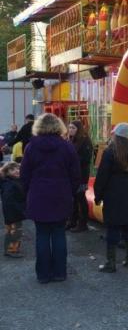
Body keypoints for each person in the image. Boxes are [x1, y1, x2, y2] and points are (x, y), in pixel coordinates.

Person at [20, 113, 80, 283]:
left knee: (42, 235)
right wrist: (70, 191)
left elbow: (24, 175)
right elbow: (75, 174)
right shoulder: (67, 147)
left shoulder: (31, 147)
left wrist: (28, 192)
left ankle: (43, 274)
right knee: (59, 234)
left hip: (38, 195)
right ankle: (60, 272)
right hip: (61, 194)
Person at [94, 122, 128, 273]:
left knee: (112, 228)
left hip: (114, 195)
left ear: (116, 134)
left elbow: (102, 176)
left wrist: (98, 195)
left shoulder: (110, 152)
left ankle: (111, 263)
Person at [67, 120, 94, 232]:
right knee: (73, 197)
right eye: (69, 127)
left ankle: (82, 223)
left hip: (81, 174)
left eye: (73, 128)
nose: (70, 130)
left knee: (80, 197)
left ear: (78, 129)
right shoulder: (71, 140)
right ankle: (72, 221)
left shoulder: (85, 141)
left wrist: (72, 161)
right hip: (71, 173)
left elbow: (86, 159)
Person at [1, 162, 25, 258]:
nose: (16, 171)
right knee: (15, 231)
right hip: (13, 213)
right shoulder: (10, 184)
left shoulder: (12, 181)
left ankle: (9, 249)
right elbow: (8, 200)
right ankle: (12, 250)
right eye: (12, 169)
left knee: (12, 231)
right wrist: (19, 210)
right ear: (7, 172)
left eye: (18, 168)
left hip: (13, 212)